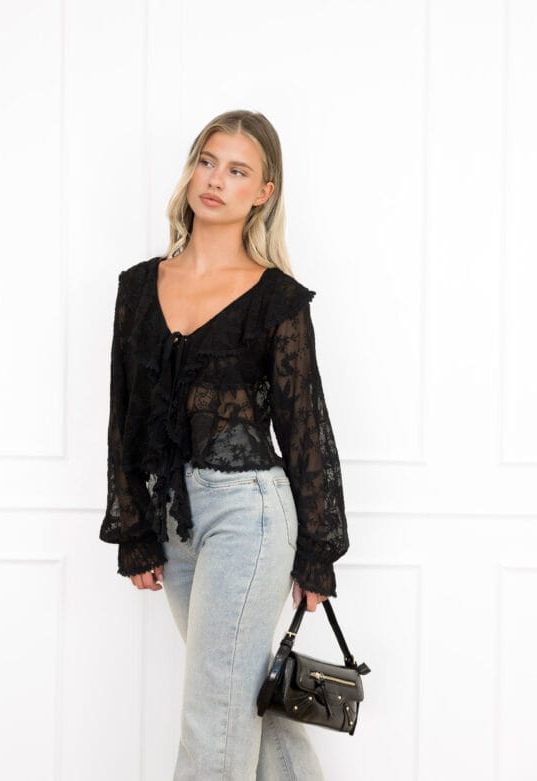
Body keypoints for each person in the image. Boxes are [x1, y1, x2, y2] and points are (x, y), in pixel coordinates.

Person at [99, 109, 350, 780]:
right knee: (240, 699)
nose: (215, 180)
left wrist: (318, 551)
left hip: (249, 514)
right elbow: (124, 413)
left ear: (263, 192)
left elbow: (305, 425)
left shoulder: (277, 300)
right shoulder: (137, 287)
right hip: (170, 518)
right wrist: (134, 528)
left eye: (237, 170)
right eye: (207, 162)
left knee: (213, 712)